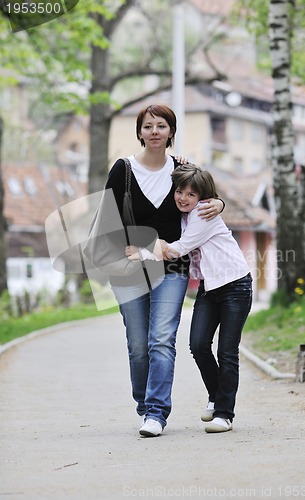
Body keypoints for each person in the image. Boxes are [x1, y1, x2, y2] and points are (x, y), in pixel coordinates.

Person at [104, 105, 224, 437]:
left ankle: (156, 412)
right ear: (140, 132)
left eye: (162, 125)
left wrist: (221, 203)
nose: (155, 131)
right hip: (128, 269)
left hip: (173, 268)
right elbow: (107, 222)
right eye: (148, 126)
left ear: (171, 132)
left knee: (161, 340)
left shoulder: (183, 170)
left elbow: (206, 202)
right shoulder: (123, 170)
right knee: (138, 344)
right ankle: (145, 406)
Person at [127, 163, 253, 433]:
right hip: (209, 288)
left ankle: (224, 413)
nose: (183, 198)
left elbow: (179, 249)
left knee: (227, 351)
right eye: (179, 191)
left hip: (235, 285)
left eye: (191, 194)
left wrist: (144, 250)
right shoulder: (183, 213)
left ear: (203, 199)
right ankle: (216, 396)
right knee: (197, 344)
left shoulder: (202, 214)